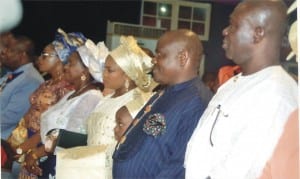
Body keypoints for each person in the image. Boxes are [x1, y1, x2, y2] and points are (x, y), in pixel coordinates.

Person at [185, 1, 298, 178]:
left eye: (233, 25)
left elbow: (241, 171)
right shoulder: (234, 82)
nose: (225, 31)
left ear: (257, 34)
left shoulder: (275, 96)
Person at [113, 29, 212, 178]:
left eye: (160, 54)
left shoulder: (196, 102)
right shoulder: (167, 92)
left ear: (182, 57)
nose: (154, 60)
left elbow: (181, 166)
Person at [55, 35, 154, 179]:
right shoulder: (105, 99)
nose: (104, 74)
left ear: (127, 74)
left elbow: (131, 147)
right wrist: (59, 140)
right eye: (104, 69)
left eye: (110, 70)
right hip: (89, 169)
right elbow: (90, 137)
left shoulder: (137, 102)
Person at [0, 35, 44, 140]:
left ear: (22, 55)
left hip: (5, 140)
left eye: (10, 51)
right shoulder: (13, 74)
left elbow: (10, 118)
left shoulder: (31, 80)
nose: (5, 54)